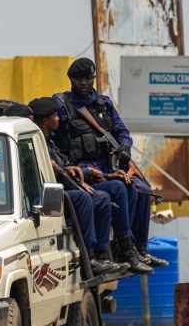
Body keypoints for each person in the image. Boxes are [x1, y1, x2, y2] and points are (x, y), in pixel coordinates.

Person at [52, 58, 168, 268]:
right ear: (70, 79)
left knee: (142, 189)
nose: (84, 83)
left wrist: (124, 147)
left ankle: (140, 249)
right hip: (83, 169)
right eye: (79, 79)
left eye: (88, 78)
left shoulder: (103, 104)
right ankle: (125, 248)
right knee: (122, 188)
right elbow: (49, 134)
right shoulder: (62, 105)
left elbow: (121, 131)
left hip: (108, 166)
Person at [29, 97, 150, 275]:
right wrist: (85, 173)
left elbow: (67, 167)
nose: (59, 119)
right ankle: (94, 257)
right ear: (46, 121)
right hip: (56, 193)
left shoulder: (50, 141)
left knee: (120, 186)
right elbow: (58, 172)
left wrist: (104, 174)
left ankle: (126, 247)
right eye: (55, 116)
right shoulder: (40, 145)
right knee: (94, 198)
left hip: (77, 181)